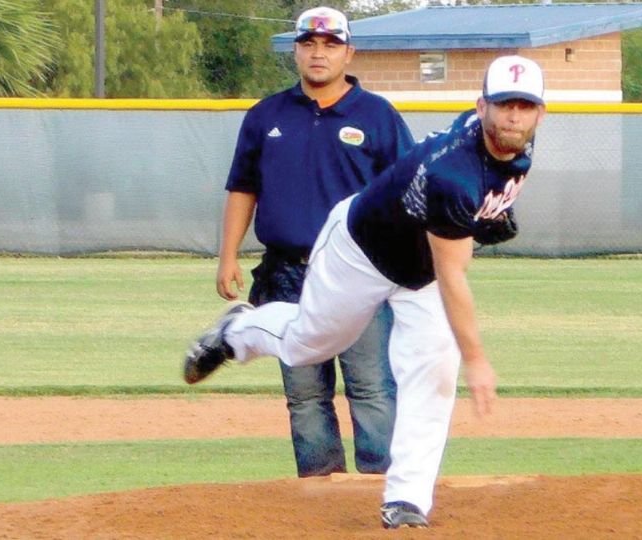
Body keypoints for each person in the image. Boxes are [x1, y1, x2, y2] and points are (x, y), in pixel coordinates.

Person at [185, 54, 547, 529]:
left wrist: (484, 217)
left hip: (419, 269)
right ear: (481, 108)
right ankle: (239, 329)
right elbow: (454, 273)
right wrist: (477, 357)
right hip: (360, 251)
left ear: (541, 112)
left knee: (434, 368)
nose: (514, 116)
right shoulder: (453, 177)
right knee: (307, 344)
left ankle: (407, 499)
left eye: (525, 105)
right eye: (504, 105)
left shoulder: (515, 144)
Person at [215, 6, 415, 478]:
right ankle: (318, 492)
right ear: (296, 51)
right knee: (304, 392)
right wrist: (227, 256)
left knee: (371, 387)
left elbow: (407, 193)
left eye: (329, 44)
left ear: (349, 52)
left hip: (358, 273)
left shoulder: (378, 116)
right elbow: (243, 187)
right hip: (288, 270)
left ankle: (381, 488)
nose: (318, 53)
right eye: (308, 44)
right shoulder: (267, 115)